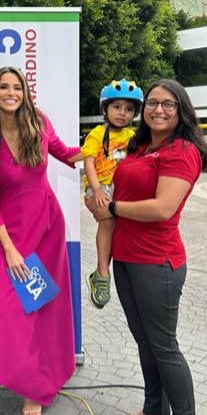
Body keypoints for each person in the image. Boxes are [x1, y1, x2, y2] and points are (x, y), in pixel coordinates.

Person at [86, 79, 207, 415]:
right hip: (125, 258)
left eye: (167, 104)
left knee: (164, 346)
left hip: (158, 263)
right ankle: (155, 413)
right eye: (152, 103)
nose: (158, 110)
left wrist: (113, 209)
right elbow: (106, 183)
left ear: (181, 110)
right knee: (144, 341)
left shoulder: (182, 151)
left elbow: (162, 208)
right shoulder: (140, 146)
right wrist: (99, 200)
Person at [0, 66, 82, 415]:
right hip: (10, 238)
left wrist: (99, 149)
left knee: (40, 311)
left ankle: (35, 386)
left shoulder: (39, 123)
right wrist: (9, 247)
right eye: (3, 87)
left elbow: (66, 154)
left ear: (25, 93)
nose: (11, 93)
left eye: (17, 87)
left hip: (47, 230)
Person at [81, 79, 143, 309]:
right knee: (107, 220)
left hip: (123, 188)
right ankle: (103, 274)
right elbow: (88, 162)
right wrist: (96, 189)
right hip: (101, 187)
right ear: (105, 108)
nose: (122, 113)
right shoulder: (98, 133)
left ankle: (99, 275)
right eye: (116, 107)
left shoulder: (132, 136)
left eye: (129, 109)